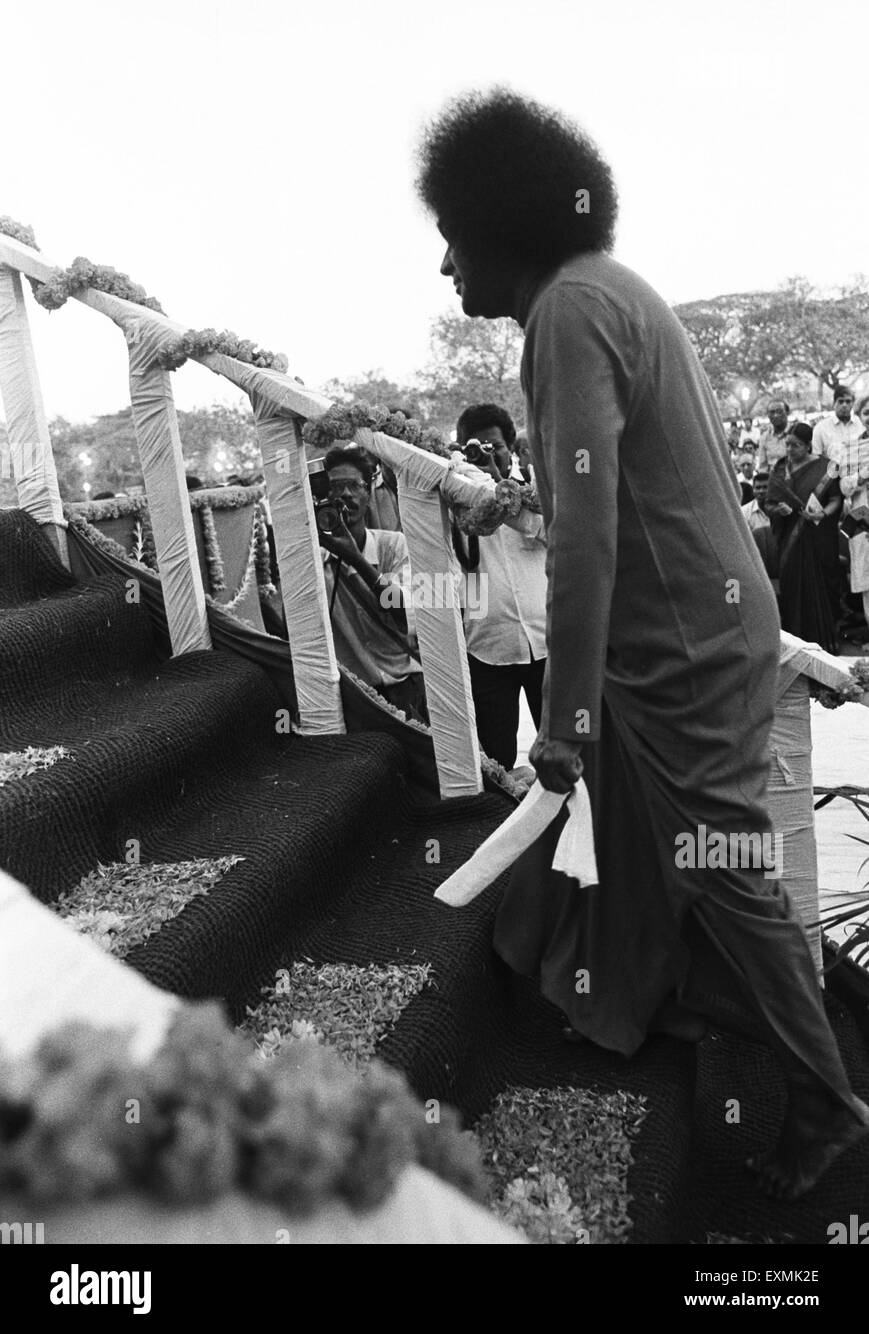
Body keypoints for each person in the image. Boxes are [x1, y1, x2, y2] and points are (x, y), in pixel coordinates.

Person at [415, 86, 869, 1200]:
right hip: (697, 622)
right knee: (626, 829)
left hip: (675, 643)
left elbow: (586, 542)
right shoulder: (601, 292)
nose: (442, 270)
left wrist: (562, 725)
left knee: (716, 864)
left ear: (497, 223)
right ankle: (614, 1001)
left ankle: (826, 1100)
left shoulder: (569, 311)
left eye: (447, 240)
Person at [453, 404, 548, 771]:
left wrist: (500, 493)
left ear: (512, 447)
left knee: (566, 755)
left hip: (546, 642)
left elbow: (552, 536)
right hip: (486, 647)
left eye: (494, 447)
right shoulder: (451, 501)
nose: (484, 456)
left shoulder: (538, 495)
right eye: (474, 449)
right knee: (496, 761)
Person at [317, 447, 427, 722]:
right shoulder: (314, 559)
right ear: (322, 499)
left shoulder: (393, 545)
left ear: (368, 494)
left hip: (406, 687)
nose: (345, 495)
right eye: (335, 487)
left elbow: (403, 612)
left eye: (354, 486)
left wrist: (355, 559)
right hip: (355, 695)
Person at [766, 423, 842, 652]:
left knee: (824, 585)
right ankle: (796, 645)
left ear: (808, 445)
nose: (790, 449)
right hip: (790, 540)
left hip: (819, 537)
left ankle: (826, 643)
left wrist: (821, 514)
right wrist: (778, 510)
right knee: (792, 586)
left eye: (796, 445)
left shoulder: (828, 468)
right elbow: (768, 502)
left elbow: (836, 500)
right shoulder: (780, 470)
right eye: (787, 444)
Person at [839, 395, 869, 647]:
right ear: (860, 416)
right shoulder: (852, 448)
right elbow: (844, 487)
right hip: (863, 521)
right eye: (867, 412)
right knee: (868, 585)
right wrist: (861, 477)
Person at [812, 384, 864, 468]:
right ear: (834, 404)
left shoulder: (861, 424)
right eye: (841, 401)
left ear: (853, 404)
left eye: (848, 401)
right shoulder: (821, 428)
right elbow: (816, 457)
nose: (844, 405)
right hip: (831, 476)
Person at [756, 399, 791, 473]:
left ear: (787, 412)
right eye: (772, 412)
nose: (775, 415)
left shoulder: (795, 432)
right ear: (768, 415)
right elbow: (763, 466)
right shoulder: (764, 438)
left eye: (779, 411)